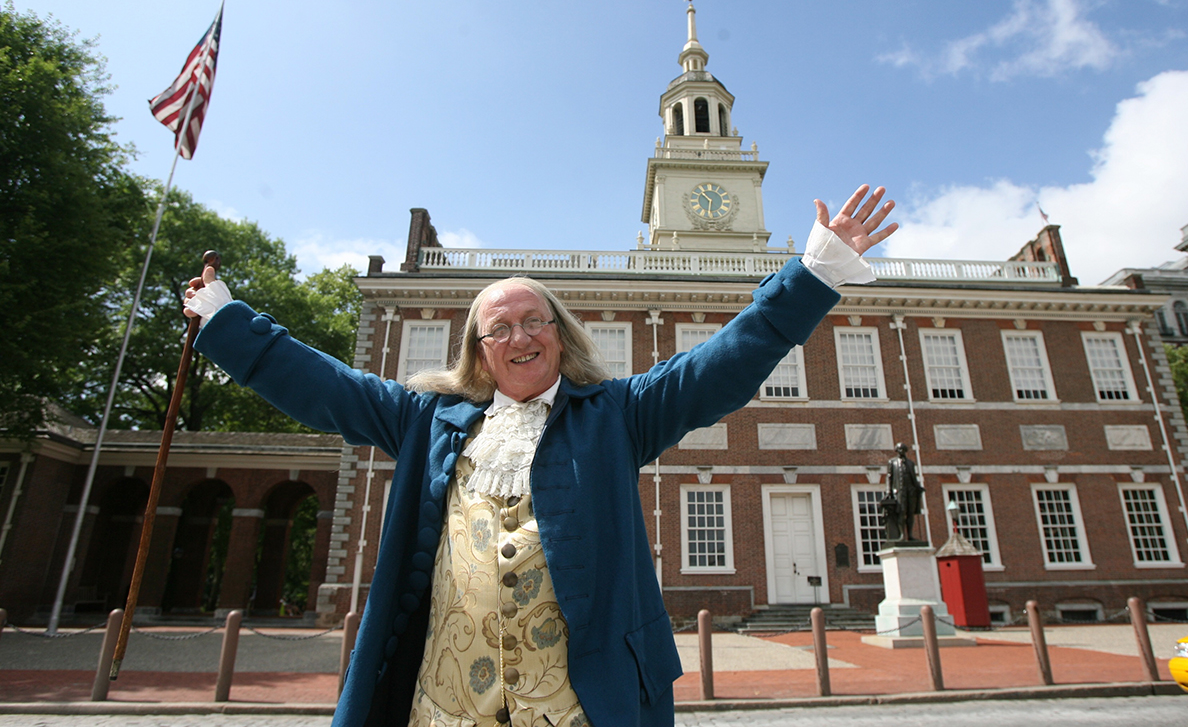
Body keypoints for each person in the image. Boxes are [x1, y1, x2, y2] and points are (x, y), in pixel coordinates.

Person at [184, 185, 897, 727]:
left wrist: (812, 273)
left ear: (559, 336)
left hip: (578, 705)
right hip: (446, 701)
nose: (521, 335)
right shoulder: (426, 417)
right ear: (480, 350)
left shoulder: (617, 415)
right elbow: (323, 385)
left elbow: (722, 363)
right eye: (502, 327)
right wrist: (226, 320)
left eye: (536, 321)